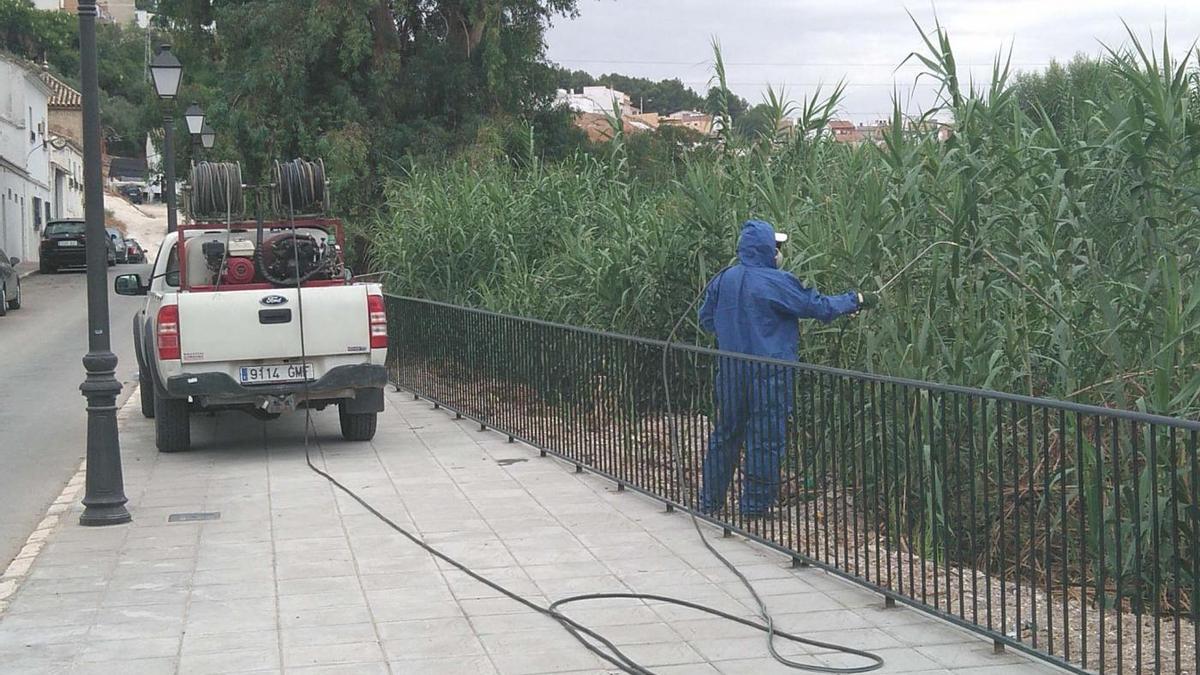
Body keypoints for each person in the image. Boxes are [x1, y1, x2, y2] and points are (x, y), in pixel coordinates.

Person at [697, 219, 876, 518]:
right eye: (777, 247)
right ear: (768, 249)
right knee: (765, 438)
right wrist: (854, 301)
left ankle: (709, 504)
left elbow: (706, 321)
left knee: (726, 434)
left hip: (729, 370)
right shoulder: (776, 282)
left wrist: (734, 331)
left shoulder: (723, 279)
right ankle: (754, 509)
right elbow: (818, 307)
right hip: (768, 373)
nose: (779, 252)